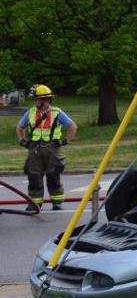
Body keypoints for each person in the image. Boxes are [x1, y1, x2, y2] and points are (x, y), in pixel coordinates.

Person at [16, 84, 77, 212]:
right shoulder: (30, 112)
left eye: (37, 99)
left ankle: (57, 202)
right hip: (35, 148)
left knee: (53, 175)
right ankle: (34, 203)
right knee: (34, 176)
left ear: (45, 100)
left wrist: (65, 141)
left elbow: (72, 126)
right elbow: (19, 127)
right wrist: (22, 141)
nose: (35, 101)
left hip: (53, 148)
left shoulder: (57, 113)